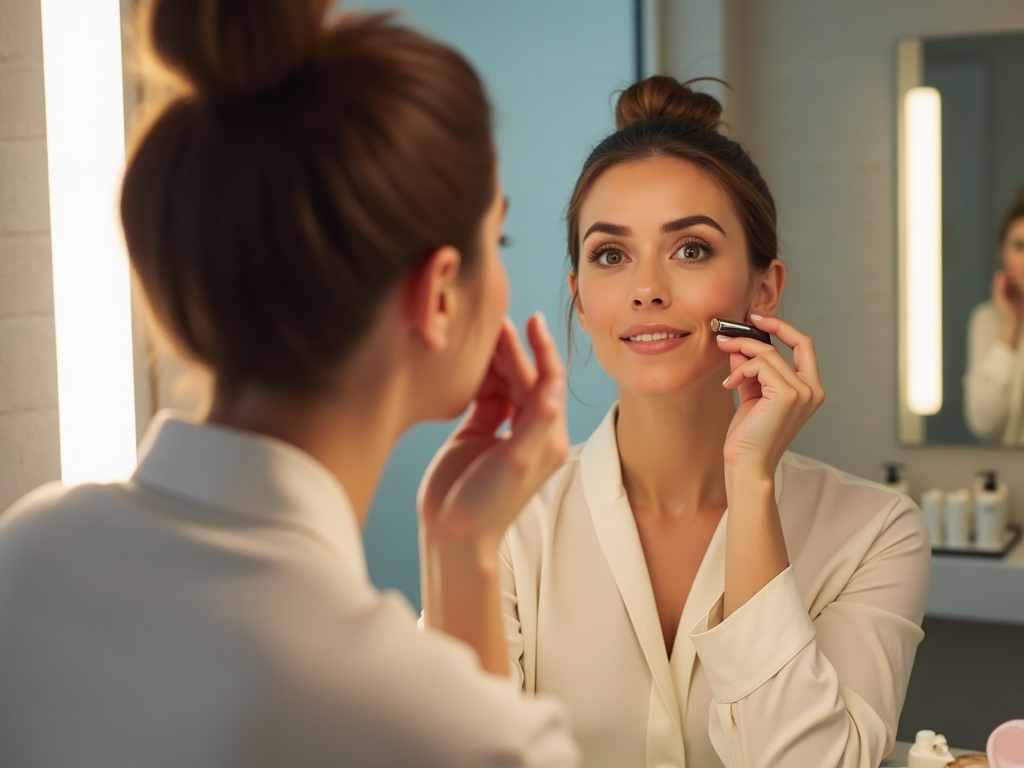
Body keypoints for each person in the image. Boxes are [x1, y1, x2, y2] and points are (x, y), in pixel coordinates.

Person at [0, 1, 580, 766]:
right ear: (440, 292)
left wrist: (461, 545)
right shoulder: (476, 738)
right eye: (495, 237)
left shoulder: (26, 557)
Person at [423, 76, 932, 768]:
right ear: (579, 296)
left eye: (690, 249)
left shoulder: (874, 532)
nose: (647, 288)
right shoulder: (509, 522)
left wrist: (751, 488)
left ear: (764, 289)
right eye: (610, 255)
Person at [964, 190, 1024, 444]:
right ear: (1003, 253)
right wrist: (1010, 325)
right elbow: (983, 421)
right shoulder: (987, 320)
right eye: (1020, 246)